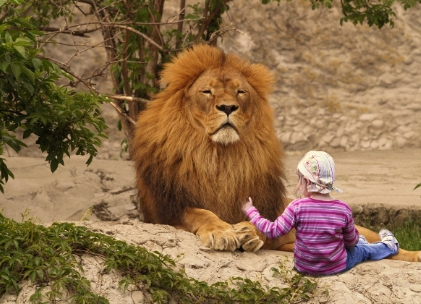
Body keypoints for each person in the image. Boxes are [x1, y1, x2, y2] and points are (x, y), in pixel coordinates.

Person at [242, 150, 399, 276]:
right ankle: (389, 246)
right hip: (335, 266)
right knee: (362, 250)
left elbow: (273, 230)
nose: (298, 184)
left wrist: (252, 211)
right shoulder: (342, 209)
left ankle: (382, 244)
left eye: (299, 180)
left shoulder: (296, 206)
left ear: (308, 182)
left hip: (304, 266)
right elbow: (350, 241)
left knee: (360, 245)